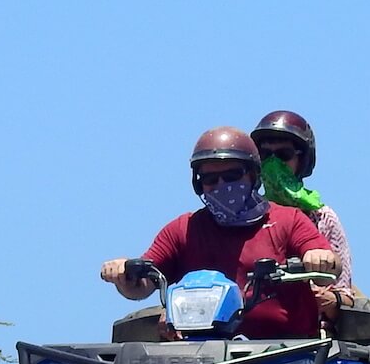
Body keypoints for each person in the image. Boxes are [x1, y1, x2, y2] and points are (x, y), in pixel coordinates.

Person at [101, 127, 341, 338]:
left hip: (285, 359)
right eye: (211, 179)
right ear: (198, 184)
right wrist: (125, 274)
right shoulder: (184, 229)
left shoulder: (288, 220)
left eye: (232, 176)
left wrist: (319, 258)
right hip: (200, 359)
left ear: (253, 175)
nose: (221, 186)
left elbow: (326, 265)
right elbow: (144, 282)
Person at [252, 111, 356, 309]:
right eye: (265, 155)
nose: (274, 165)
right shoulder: (247, 216)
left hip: (309, 335)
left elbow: (345, 295)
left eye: (283, 155)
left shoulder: (323, 217)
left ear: (303, 161)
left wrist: (320, 298)